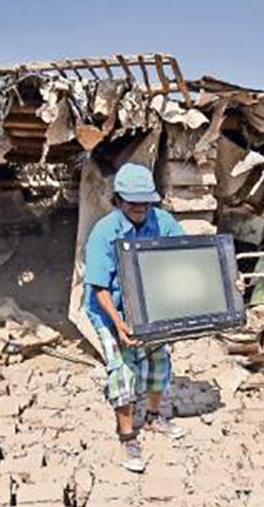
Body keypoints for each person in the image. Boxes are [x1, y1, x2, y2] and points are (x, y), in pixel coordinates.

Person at [83, 162, 186, 473]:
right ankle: (127, 434)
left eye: (146, 201)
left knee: (158, 360)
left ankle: (154, 417)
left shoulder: (163, 222)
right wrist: (118, 324)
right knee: (123, 368)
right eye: (133, 201)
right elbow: (99, 286)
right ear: (119, 200)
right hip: (109, 309)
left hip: (151, 305)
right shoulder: (103, 232)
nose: (140, 207)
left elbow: (185, 254)